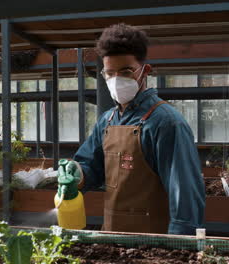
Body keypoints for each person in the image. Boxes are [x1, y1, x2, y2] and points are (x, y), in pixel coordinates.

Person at [59, 23, 205, 235]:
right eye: (110, 73)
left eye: (126, 71)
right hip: (112, 236)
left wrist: (180, 244)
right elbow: (92, 166)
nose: (116, 79)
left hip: (155, 242)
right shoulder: (107, 121)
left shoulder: (166, 123)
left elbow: (185, 193)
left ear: (144, 71)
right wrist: (77, 174)